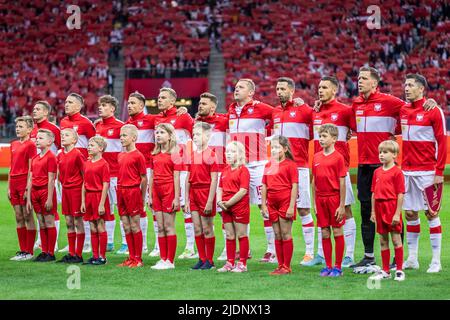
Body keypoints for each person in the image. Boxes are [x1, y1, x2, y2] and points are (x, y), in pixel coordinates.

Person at [400, 74, 447, 273]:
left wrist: (439, 171)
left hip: (427, 171)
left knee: (431, 213)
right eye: (405, 85)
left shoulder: (433, 110)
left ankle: (436, 261)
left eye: (411, 85)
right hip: (407, 171)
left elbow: (443, 141)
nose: (406, 88)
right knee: (410, 213)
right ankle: (412, 258)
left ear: (421, 89)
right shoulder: (402, 110)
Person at [227, 79, 276, 263]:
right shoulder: (231, 110)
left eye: (240, 87)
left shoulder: (261, 108)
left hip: (257, 165)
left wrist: (296, 103)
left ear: (250, 93)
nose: (236, 89)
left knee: (264, 206)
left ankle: (271, 250)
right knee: (240, 207)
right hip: (238, 166)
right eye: (235, 87)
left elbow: (279, 115)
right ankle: (244, 250)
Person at [271, 77, 318, 266]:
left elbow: (319, 120)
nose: (279, 91)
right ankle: (276, 252)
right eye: (277, 88)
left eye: (283, 88)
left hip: (299, 167)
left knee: (304, 208)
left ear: (292, 91)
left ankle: (309, 252)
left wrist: (306, 105)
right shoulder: (274, 112)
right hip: (278, 168)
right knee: (277, 209)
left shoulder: (304, 110)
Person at [312, 76, 357, 267]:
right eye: (319, 87)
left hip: (340, 169)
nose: (320, 90)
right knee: (321, 214)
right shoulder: (314, 112)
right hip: (319, 167)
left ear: (334, 91)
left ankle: (349, 255)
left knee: (345, 210)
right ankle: (321, 255)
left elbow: (359, 129)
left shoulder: (346, 111)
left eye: (325, 87)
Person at [154, 88, 197, 260]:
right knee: (160, 210)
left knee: (186, 208)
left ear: (172, 101)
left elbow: (198, 132)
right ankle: (159, 247)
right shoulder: (156, 119)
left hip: (183, 168)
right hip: (164, 170)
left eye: (163, 98)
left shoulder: (183, 116)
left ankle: (190, 247)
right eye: (158, 97)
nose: (159, 100)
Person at [60, 93, 96, 253]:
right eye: (66, 102)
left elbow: (94, 143)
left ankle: (86, 242)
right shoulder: (63, 122)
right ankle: (72, 245)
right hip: (66, 172)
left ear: (79, 106)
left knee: (82, 211)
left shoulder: (86, 123)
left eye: (70, 102)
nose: (66, 104)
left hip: (81, 170)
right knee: (69, 215)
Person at [195, 92, 229, 261]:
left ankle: (228, 249)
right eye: (199, 103)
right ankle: (200, 254)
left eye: (204, 103)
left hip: (221, 172)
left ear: (213, 107)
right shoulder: (196, 123)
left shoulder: (223, 121)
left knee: (224, 211)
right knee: (202, 216)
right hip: (201, 174)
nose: (200, 105)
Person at [312, 124, 346, 277]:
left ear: (334, 139)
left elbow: (342, 182)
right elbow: (314, 182)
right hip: (320, 199)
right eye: (320, 136)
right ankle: (328, 266)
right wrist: (314, 202)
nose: (321, 139)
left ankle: (338, 267)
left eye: (324, 136)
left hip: (334, 198)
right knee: (325, 232)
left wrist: (341, 205)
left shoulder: (338, 157)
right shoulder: (316, 157)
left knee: (337, 230)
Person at [369, 140, 405, 281]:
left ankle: (399, 270)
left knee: (396, 239)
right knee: (383, 240)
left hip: (391, 207)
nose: (381, 155)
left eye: (385, 152)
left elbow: (400, 194)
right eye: (380, 152)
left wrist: (397, 213)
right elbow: (373, 193)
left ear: (394, 155)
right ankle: (385, 270)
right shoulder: (376, 172)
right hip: (379, 207)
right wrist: (373, 211)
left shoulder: (397, 172)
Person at [261, 136, 298, 275]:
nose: (274, 150)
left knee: (285, 233)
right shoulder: (268, 165)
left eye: (277, 147)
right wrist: (264, 204)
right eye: (273, 147)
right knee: (276, 234)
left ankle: (287, 266)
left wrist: (291, 206)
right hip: (272, 203)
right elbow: (264, 185)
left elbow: (294, 186)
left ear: (285, 149)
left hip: (285, 201)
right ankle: (280, 265)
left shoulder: (290, 165)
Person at [185, 122, 219, 270]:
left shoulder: (211, 154)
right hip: (194, 193)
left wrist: (210, 201)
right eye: (194, 135)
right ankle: (202, 258)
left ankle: (210, 261)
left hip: (206, 192)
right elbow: (188, 177)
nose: (195, 137)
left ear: (207, 136)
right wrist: (186, 199)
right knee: (197, 228)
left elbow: (214, 179)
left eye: (198, 134)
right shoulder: (191, 154)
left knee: (207, 228)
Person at [149, 123, 181, 270]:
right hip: (156, 191)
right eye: (157, 133)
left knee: (168, 226)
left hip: (168, 190)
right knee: (160, 226)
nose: (158, 135)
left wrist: (176, 197)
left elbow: (176, 177)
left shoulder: (175, 154)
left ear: (170, 135)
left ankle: (170, 260)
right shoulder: (154, 154)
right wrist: (150, 195)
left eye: (162, 132)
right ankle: (163, 258)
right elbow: (152, 176)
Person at [124, 92, 152, 256]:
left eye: (133, 103)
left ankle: (149, 246)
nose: (129, 105)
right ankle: (134, 248)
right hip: (130, 171)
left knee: (147, 207)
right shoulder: (127, 124)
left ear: (142, 106)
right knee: (132, 210)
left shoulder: (151, 119)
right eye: (128, 103)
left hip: (147, 169)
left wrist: (181, 110)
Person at [30, 101, 61, 252]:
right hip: (36, 174)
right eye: (33, 109)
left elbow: (63, 148)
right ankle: (42, 242)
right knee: (40, 213)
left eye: (38, 109)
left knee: (51, 211)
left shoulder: (54, 129)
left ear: (46, 112)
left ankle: (52, 245)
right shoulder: (33, 130)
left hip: (50, 176)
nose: (34, 111)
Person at [95, 95, 124, 252]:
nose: (100, 107)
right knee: (107, 209)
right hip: (102, 175)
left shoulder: (121, 126)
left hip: (117, 174)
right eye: (100, 105)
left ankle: (125, 243)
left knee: (121, 208)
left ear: (112, 109)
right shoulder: (97, 126)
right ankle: (110, 242)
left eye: (104, 105)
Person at [116, 125, 148, 268]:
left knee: (135, 225)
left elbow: (144, 178)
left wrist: (142, 197)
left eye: (124, 135)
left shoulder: (138, 155)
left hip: (132, 191)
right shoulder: (120, 155)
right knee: (126, 225)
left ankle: (138, 259)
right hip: (121, 191)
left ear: (133, 138)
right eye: (121, 135)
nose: (121, 138)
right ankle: (130, 257)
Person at [217, 141, 251, 273]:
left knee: (241, 234)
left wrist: (229, 203)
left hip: (238, 206)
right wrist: (220, 201)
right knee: (229, 235)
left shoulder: (243, 170)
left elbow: (243, 190)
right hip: (226, 206)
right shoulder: (225, 170)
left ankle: (242, 263)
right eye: (227, 151)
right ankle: (230, 262)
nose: (228, 154)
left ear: (240, 154)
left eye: (232, 151)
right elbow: (220, 187)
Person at [26, 129, 58, 262]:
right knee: (41, 222)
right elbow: (31, 179)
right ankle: (44, 251)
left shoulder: (51, 157)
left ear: (49, 142)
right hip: (35, 193)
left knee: (49, 221)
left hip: (46, 191)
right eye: (37, 138)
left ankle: (50, 252)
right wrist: (28, 198)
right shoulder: (34, 158)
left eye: (40, 138)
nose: (37, 140)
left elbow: (51, 179)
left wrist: (50, 198)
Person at [8, 116, 37, 261]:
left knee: (27, 215)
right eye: (17, 126)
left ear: (30, 129)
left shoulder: (31, 145)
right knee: (18, 216)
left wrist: (28, 188)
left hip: (24, 182)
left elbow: (32, 169)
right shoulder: (13, 144)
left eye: (21, 126)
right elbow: (11, 166)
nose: (18, 129)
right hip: (13, 183)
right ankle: (22, 250)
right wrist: (8, 187)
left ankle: (29, 251)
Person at [56, 129, 86, 264]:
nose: (63, 137)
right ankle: (71, 252)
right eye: (62, 135)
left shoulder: (78, 154)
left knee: (77, 222)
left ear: (74, 140)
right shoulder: (60, 154)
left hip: (76, 191)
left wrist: (83, 197)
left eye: (66, 135)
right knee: (68, 222)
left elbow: (85, 175)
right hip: (65, 190)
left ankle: (78, 254)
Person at [81, 136, 111, 265]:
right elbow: (84, 183)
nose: (89, 147)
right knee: (92, 227)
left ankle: (102, 257)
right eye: (88, 145)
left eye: (92, 145)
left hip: (99, 196)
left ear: (100, 148)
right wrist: (83, 201)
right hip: (89, 197)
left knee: (100, 225)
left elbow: (106, 184)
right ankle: (94, 255)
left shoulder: (104, 164)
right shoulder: (87, 163)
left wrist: (101, 203)